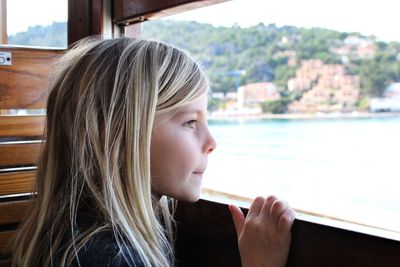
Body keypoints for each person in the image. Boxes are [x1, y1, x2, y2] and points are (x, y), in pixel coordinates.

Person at [13, 37, 295, 267]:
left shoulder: (78, 235)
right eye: (190, 122)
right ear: (119, 137)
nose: (212, 141)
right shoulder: (109, 259)